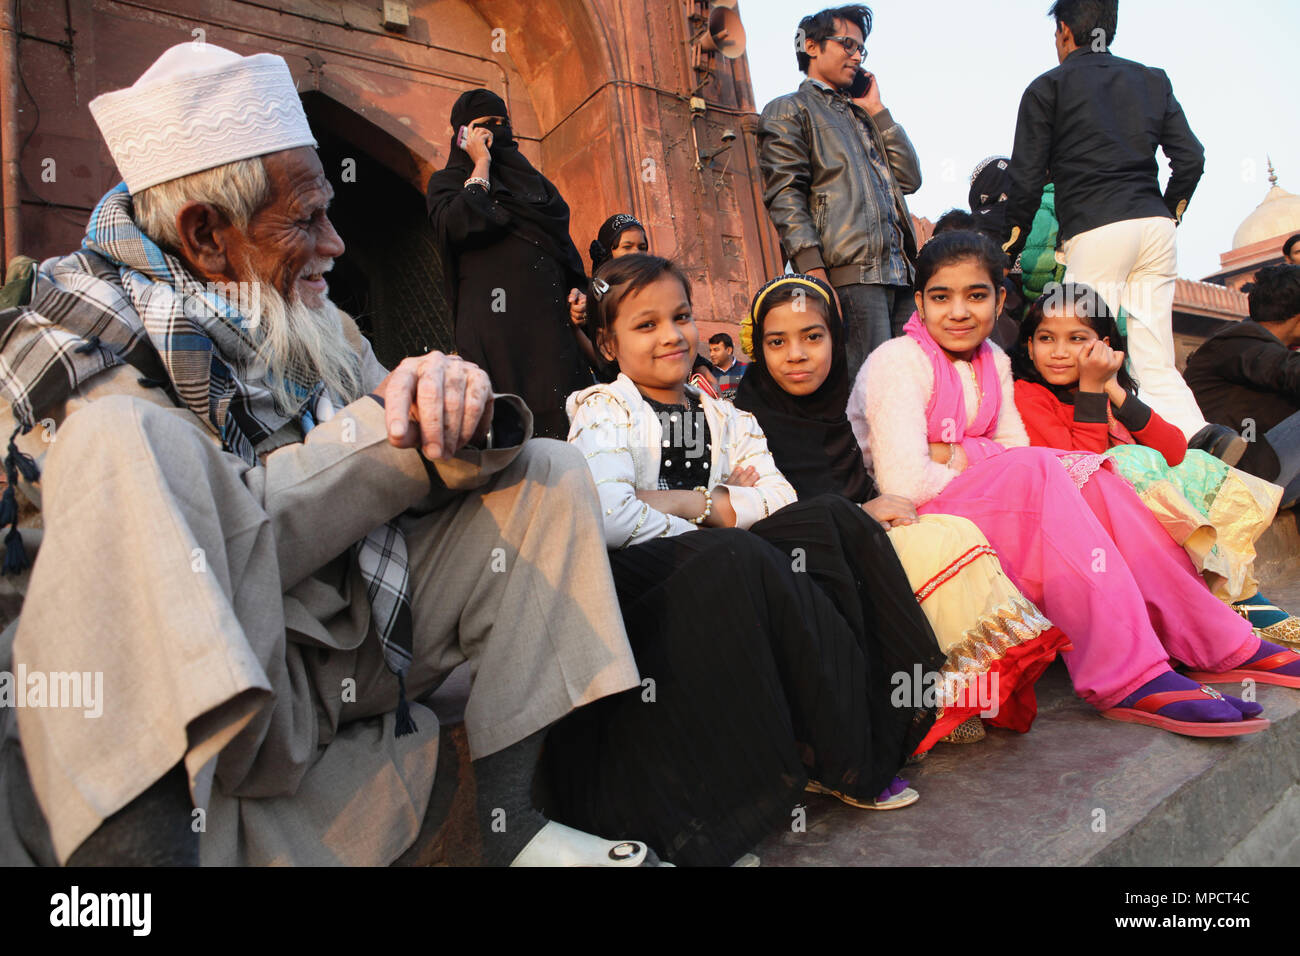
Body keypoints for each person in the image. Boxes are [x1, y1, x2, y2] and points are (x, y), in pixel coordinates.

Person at [0, 45, 651, 867]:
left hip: (360, 638)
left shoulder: (317, 324)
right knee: (125, 445)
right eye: (307, 219)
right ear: (207, 233)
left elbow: (403, 430)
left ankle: (513, 826)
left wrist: (451, 401)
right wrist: (388, 435)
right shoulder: (85, 346)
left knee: (545, 469)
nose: (337, 244)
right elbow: (222, 540)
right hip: (221, 667)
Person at [544, 254, 948, 865]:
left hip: (718, 558)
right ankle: (810, 756)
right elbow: (611, 517)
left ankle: (847, 738)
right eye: (645, 325)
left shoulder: (724, 415)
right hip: (638, 588)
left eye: (680, 316)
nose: (672, 336)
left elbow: (781, 498)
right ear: (608, 342)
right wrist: (725, 509)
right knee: (735, 551)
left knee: (830, 519)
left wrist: (690, 499)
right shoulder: (605, 409)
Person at [850, 231, 1300, 737]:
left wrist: (958, 451)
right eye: (941, 297)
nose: (959, 311)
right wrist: (989, 457)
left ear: (999, 301)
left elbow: (1017, 450)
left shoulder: (993, 362)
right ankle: (1127, 674)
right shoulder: (898, 362)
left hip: (981, 496)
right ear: (919, 302)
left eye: (976, 296)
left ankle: (1218, 640)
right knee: (1049, 469)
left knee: (1098, 475)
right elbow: (906, 480)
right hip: (919, 517)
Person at [734, 274, 1070, 750]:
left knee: (950, 530)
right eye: (777, 342)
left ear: (836, 338)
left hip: (859, 533)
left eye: (813, 336)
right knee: (935, 541)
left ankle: (962, 693)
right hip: (804, 563)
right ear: (759, 350)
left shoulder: (843, 406)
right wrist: (858, 515)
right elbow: (766, 515)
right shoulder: (743, 422)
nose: (796, 354)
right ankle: (930, 703)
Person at [999, 0, 1244, 464]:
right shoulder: (1151, 79)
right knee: (1154, 353)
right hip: (1155, 227)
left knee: (1077, 344)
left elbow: (1025, 181)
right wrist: (1169, 213)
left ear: (1065, 31)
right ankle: (1196, 447)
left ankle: (1099, 450)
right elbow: (1190, 158)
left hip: (1096, 228)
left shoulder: (1048, 87)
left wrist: (1005, 244)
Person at [1010, 282, 1297, 647]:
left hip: (1135, 519)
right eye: (1046, 339)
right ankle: (1224, 601)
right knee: (1128, 459)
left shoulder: (1105, 390)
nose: (1060, 352)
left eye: (1077, 339)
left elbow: (1175, 450)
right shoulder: (1028, 395)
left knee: (1195, 462)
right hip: (1083, 519)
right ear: (1028, 346)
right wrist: (1090, 391)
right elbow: (1082, 468)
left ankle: (1235, 595)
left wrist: (1112, 389)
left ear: (1104, 345)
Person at [758, 4, 921, 379]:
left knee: (908, 390)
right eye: (846, 44)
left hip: (900, 276)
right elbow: (784, 193)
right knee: (867, 395)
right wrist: (815, 274)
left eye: (861, 48)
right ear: (812, 46)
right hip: (848, 278)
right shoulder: (790, 109)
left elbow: (909, 180)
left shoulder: (864, 114)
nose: (857, 55)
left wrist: (877, 109)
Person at [426, 89, 591, 439]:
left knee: (564, 431)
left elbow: (564, 248)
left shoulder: (537, 186)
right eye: (485, 126)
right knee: (505, 426)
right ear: (462, 135)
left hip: (550, 333)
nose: (496, 132)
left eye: (503, 124)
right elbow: (460, 224)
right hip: (493, 333)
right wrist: (481, 165)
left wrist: (578, 293)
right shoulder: (447, 184)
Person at [1185, 265, 1300, 509]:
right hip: (1242, 476)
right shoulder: (1237, 344)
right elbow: (1286, 370)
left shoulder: (1249, 341)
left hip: (1263, 470)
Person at [707, 332, 746, 400]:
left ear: (729, 350)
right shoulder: (708, 374)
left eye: (716, 350)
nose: (711, 354)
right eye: (710, 350)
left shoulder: (747, 370)